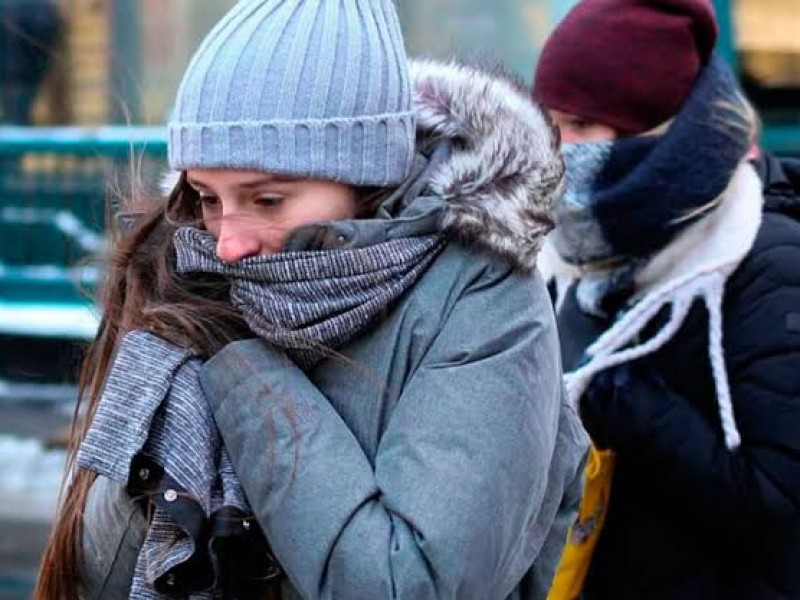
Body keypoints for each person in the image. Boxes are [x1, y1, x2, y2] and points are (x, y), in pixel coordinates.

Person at [34, 1, 589, 599]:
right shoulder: (198, 277)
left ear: (365, 176)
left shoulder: (484, 298)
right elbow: (95, 576)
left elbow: (410, 585)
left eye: (267, 200)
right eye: (207, 197)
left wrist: (241, 368)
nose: (228, 244)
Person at [532, 1, 800, 599]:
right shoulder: (566, 255)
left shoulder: (768, 262)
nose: (557, 150)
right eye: (548, 125)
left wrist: (614, 391)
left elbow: (777, 500)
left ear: (646, 131)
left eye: (577, 126)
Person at [0, 0, 62, 124]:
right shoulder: (42, 7)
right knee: (17, 116)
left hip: (21, 74)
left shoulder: (39, 7)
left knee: (16, 116)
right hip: (26, 74)